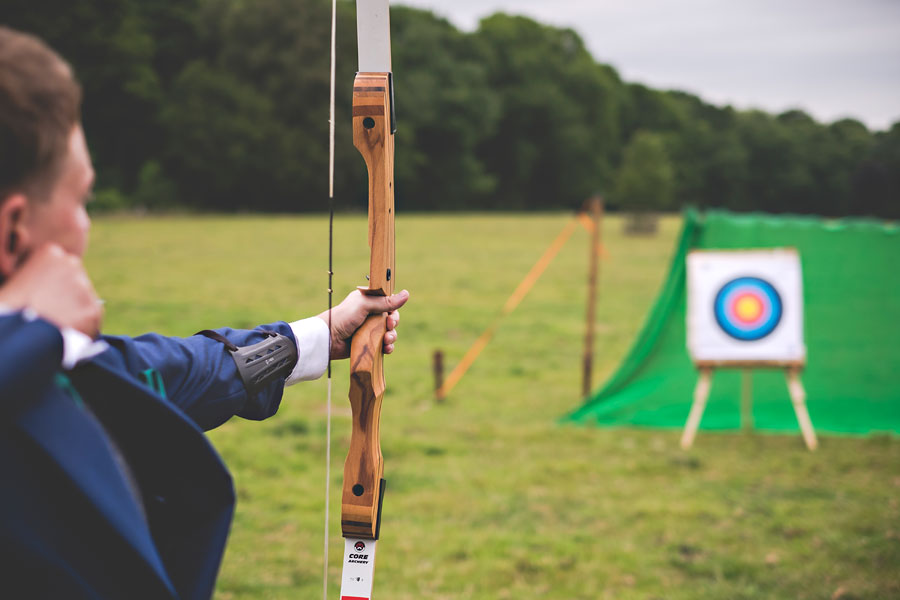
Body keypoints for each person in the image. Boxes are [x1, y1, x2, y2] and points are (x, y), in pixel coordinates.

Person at [0, 25, 409, 599]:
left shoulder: (46, 368)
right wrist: (28, 329)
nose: (88, 227)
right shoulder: (30, 358)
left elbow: (161, 374)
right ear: (14, 230)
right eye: (82, 199)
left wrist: (317, 336)